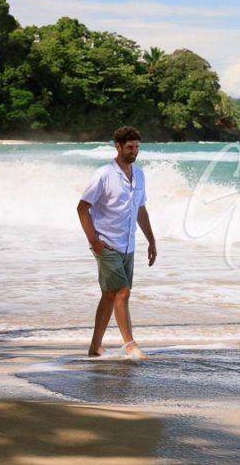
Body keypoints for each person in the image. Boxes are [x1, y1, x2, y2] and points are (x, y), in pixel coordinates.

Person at [77, 126, 156, 359]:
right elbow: (82, 208)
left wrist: (151, 240)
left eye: (137, 147)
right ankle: (130, 345)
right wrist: (94, 241)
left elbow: (140, 209)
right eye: (130, 147)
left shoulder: (140, 174)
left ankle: (95, 347)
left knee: (110, 295)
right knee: (122, 292)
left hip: (128, 245)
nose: (134, 151)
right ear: (118, 147)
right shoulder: (103, 174)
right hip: (106, 243)